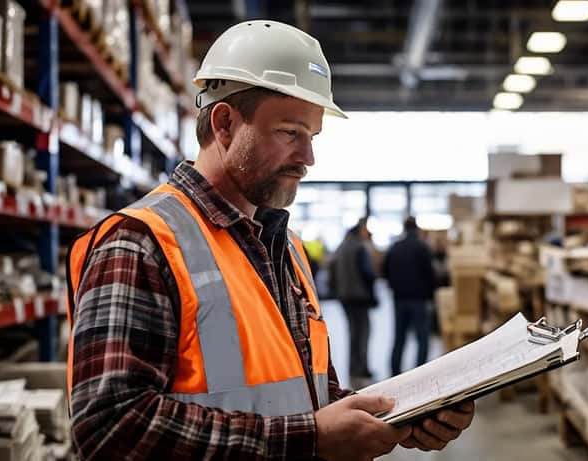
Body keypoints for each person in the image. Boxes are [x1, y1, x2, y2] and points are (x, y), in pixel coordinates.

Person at [65, 20, 473, 460]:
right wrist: (312, 438)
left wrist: (394, 415)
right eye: (289, 133)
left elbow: (301, 395)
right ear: (224, 124)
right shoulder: (141, 243)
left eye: (312, 136)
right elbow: (109, 427)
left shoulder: (286, 248)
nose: (308, 158)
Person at [383, 217, 437, 376]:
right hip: (419, 300)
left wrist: (394, 288)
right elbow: (430, 274)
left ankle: (395, 372)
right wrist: (430, 295)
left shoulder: (394, 248)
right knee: (422, 338)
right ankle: (420, 372)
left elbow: (385, 271)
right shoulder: (422, 247)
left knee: (399, 338)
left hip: (399, 299)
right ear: (417, 229)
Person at [329, 218, 376, 385]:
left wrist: (336, 290)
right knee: (363, 333)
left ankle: (353, 367)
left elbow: (331, 269)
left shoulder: (341, 247)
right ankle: (361, 367)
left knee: (353, 332)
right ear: (359, 231)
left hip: (345, 297)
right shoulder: (359, 247)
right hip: (360, 297)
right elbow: (368, 273)